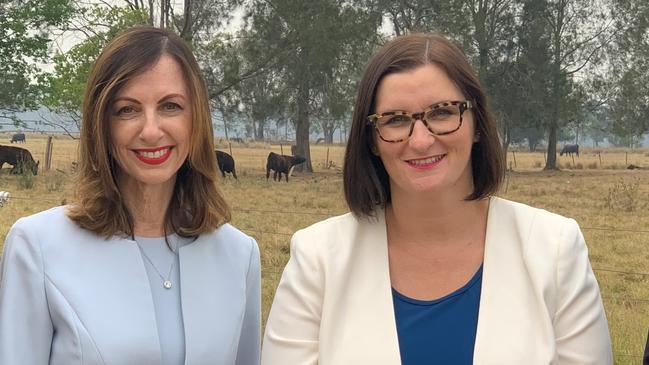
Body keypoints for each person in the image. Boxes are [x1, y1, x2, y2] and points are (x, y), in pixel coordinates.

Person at [261, 33, 612, 364]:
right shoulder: (316, 260)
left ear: (477, 124)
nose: (420, 140)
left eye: (443, 112)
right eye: (395, 119)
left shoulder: (555, 251)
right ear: (371, 139)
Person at [0, 27, 260, 365]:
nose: (151, 131)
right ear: (102, 125)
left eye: (170, 106)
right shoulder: (37, 247)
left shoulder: (239, 256)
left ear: (196, 119)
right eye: (127, 110)